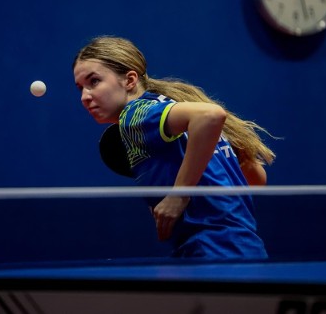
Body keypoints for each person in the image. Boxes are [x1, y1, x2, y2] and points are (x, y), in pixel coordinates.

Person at [73, 36, 275, 260]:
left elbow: (212, 115)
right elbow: (256, 178)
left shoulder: (135, 115)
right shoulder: (173, 112)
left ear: (129, 80)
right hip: (245, 247)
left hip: (212, 250)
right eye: (80, 87)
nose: (85, 97)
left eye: (94, 82)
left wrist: (178, 195)